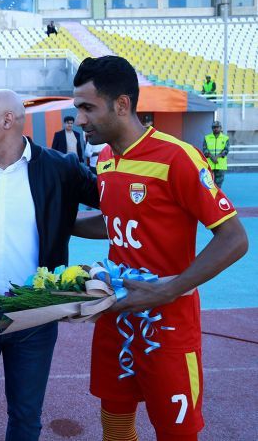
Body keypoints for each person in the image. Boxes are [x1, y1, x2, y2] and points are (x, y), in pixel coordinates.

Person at [72, 55, 248, 441]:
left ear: (121, 104)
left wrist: (169, 290)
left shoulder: (177, 157)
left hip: (168, 324)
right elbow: (115, 222)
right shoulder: (105, 159)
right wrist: (61, 223)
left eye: (87, 108)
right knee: (115, 423)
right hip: (117, 315)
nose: (80, 119)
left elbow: (235, 238)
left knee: (176, 433)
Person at [0, 89, 99, 441]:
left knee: (26, 415)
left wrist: (65, 224)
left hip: (36, 310)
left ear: (8, 120)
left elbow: (117, 205)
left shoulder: (60, 168)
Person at [203, 120, 229, 188]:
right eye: (214, 127)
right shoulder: (207, 138)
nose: (216, 128)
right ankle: (210, 195)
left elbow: (226, 150)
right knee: (208, 184)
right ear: (212, 128)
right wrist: (212, 157)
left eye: (217, 127)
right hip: (209, 165)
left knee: (218, 185)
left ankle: (217, 195)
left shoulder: (225, 138)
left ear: (221, 128)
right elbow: (205, 150)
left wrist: (216, 157)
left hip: (220, 165)